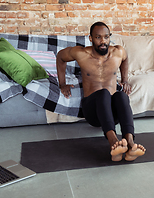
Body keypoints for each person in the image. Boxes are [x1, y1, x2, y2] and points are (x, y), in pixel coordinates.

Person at [57, 22, 145, 162]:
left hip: (113, 114)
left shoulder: (118, 52)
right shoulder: (81, 53)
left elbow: (125, 58)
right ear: (91, 38)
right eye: (98, 37)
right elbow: (60, 57)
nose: (103, 41)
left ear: (110, 37)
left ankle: (130, 143)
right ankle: (113, 143)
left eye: (106, 37)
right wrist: (62, 84)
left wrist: (125, 80)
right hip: (93, 112)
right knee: (103, 93)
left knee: (121, 95)